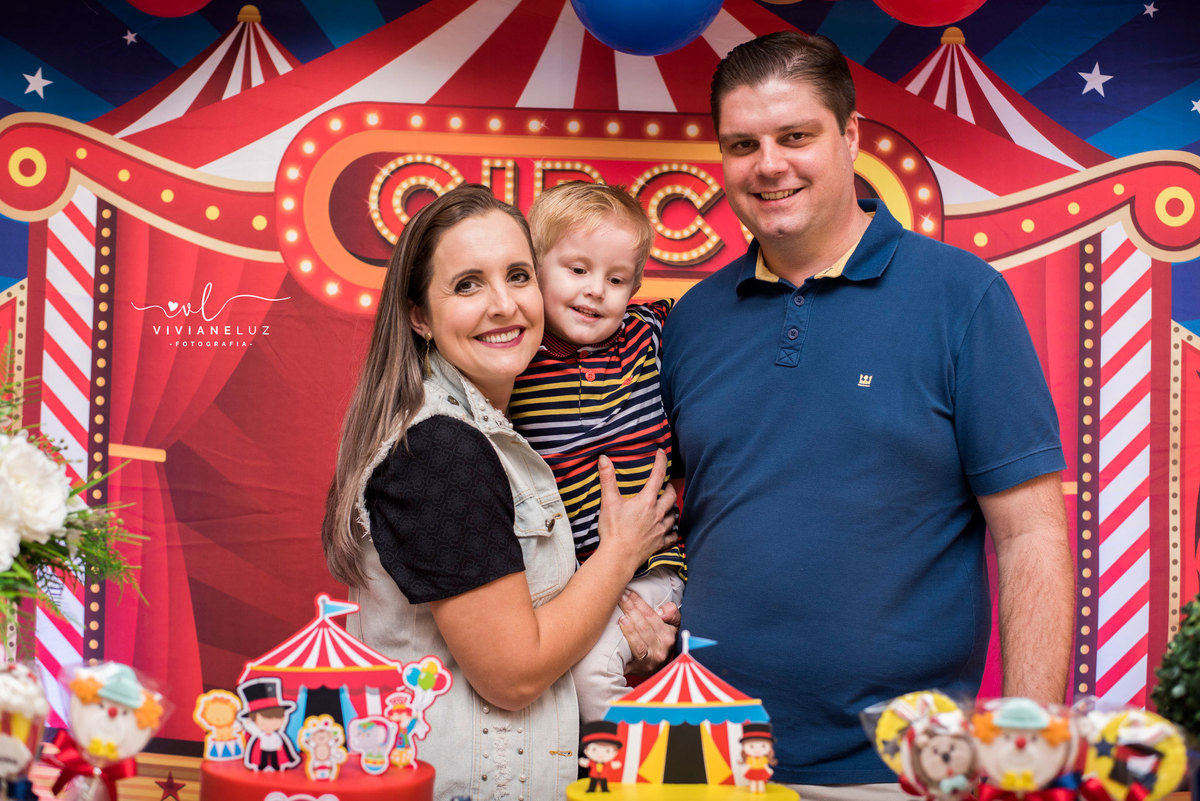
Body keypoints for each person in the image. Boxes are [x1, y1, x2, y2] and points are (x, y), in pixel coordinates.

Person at [658, 32, 1073, 800]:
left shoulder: (961, 297)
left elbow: (1032, 534)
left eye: (795, 136)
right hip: (702, 762)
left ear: (850, 137)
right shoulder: (691, 321)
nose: (768, 164)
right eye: (742, 143)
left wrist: (1024, 759)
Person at [322, 184, 680, 800]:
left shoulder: (514, 433)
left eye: (517, 276)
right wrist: (622, 553)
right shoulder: (440, 451)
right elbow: (512, 674)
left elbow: (547, 619)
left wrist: (629, 630)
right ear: (418, 316)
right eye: (467, 285)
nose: (503, 305)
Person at [509, 181, 685, 724]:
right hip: (566, 576)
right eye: (577, 269)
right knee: (541, 682)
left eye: (616, 279)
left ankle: (624, 775)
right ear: (533, 269)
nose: (596, 291)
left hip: (653, 564)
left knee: (590, 676)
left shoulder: (645, 333)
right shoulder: (513, 358)